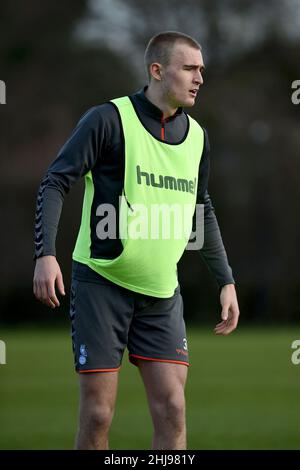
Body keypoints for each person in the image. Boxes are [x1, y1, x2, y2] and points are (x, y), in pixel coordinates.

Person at [33, 31, 240, 450]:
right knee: (97, 416)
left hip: (162, 296)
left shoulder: (198, 137)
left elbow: (202, 209)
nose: (199, 77)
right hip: (100, 285)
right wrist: (46, 254)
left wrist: (225, 279)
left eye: (201, 69)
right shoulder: (107, 120)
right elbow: (55, 181)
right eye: (189, 68)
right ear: (157, 70)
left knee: (173, 410)